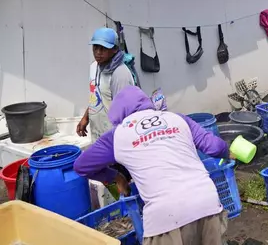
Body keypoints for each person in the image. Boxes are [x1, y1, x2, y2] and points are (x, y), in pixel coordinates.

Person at [74, 86, 230, 245]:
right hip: (207, 202)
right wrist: (228, 154)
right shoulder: (178, 118)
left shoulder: (117, 135)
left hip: (165, 218)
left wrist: (115, 177)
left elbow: (81, 166)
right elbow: (216, 147)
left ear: (117, 114)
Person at [77, 27, 136, 141]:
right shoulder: (94, 66)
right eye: (95, 47)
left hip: (114, 136)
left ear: (114, 49)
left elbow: (124, 112)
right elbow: (95, 96)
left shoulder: (120, 73)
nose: (98, 52)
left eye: (103, 48)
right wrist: (86, 117)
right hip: (97, 132)